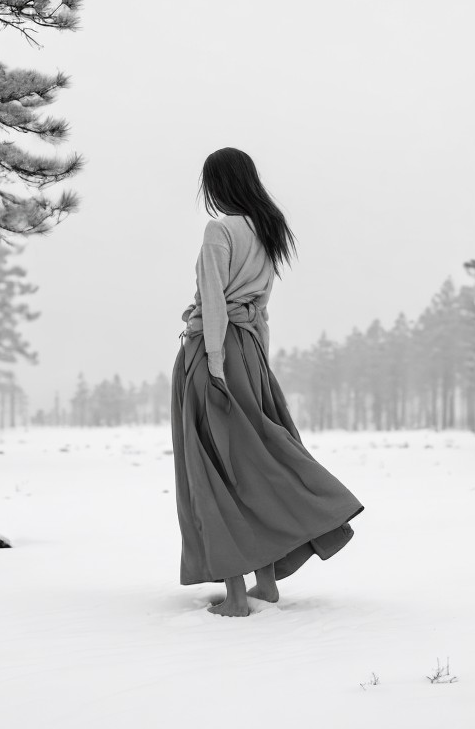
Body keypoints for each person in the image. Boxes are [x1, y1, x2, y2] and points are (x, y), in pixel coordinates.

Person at [171, 147, 364, 617]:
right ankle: (266, 583)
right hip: (251, 353)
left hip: (215, 354)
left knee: (216, 468)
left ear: (218, 184)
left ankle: (237, 598)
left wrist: (215, 362)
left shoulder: (220, 230)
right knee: (254, 462)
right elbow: (261, 309)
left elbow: (215, 302)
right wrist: (256, 363)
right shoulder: (267, 229)